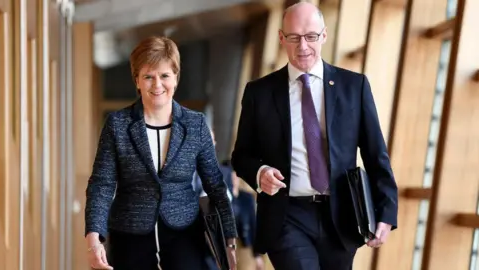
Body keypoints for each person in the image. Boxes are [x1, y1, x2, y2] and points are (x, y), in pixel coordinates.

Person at [231, 3, 398, 270]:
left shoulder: (354, 86)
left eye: (311, 36)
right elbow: (241, 156)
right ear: (281, 38)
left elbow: (375, 153)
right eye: (294, 37)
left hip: (342, 216)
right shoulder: (259, 93)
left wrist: (386, 212)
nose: (303, 46)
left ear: (324, 35)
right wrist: (260, 172)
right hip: (287, 216)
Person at [84, 36, 237, 270]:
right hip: (130, 234)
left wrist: (229, 238)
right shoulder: (118, 124)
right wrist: (94, 238)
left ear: (176, 77)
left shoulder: (196, 124)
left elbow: (215, 185)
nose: (157, 85)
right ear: (137, 80)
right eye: (148, 76)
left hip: (185, 234)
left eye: (165, 75)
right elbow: (101, 184)